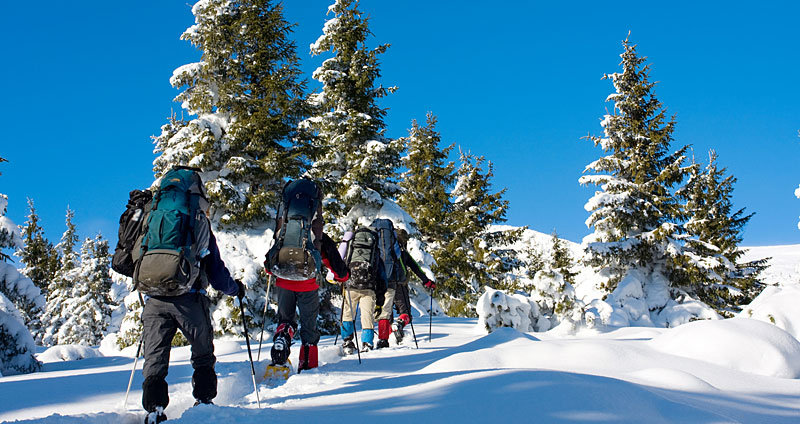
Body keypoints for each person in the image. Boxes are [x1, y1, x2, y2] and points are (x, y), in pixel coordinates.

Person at [138, 168, 245, 424]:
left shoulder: (152, 217)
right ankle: (204, 402)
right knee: (203, 355)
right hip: (190, 299)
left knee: (154, 359)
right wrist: (235, 289)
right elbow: (216, 272)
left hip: (154, 299)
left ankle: (154, 409)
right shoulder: (198, 221)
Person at [267, 179, 349, 372]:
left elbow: (271, 257)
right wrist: (342, 277)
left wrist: (271, 269)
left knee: (285, 320)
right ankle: (308, 367)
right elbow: (333, 262)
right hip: (308, 284)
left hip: (284, 281)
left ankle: (282, 339)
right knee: (309, 328)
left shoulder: (283, 230)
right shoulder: (317, 234)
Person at [340, 225, 387, 353]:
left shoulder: (351, 246)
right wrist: (380, 300)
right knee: (367, 316)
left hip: (351, 286)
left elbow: (342, 264)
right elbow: (382, 276)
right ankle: (367, 343)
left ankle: (347, 341)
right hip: (369, 288)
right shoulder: (375, 252)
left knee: (348, 314)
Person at [389, 228, 435, 344]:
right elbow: (416, 268)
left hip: (384, 286)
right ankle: (399, 324)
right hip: (400, 285)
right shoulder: (403, 254)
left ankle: (387, 337)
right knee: (406, 313)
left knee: (386, 314)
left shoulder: (382, 252)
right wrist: (427, 282)